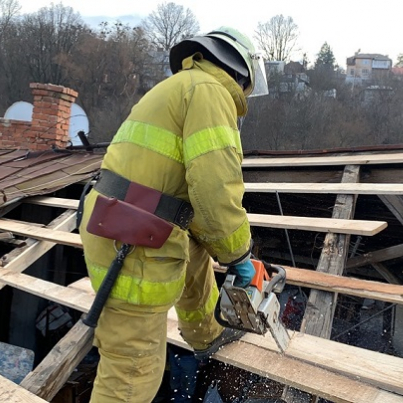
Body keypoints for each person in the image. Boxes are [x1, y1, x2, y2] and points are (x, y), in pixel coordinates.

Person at [78, 25, 268, 403]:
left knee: (194, 246)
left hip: (129, 223)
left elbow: (196, 210)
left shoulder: (184, 87)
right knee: (133, 368)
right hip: (132, 241)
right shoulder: (211, 93)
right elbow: (215, 187)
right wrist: (241, 256)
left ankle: (207, 335)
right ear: (241, 73)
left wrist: (225, 251)